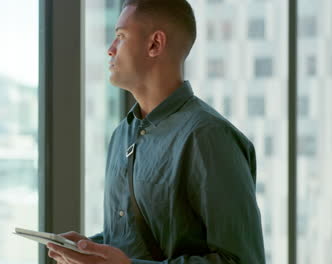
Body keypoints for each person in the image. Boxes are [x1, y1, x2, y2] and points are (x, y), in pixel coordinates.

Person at [47, 0, 266, 263]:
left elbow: (241, 260)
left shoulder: (208, 136)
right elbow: (134, 243)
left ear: (155, 44)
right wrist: (88, 249)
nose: (110, 50)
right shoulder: (121, 135)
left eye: (120, 36)